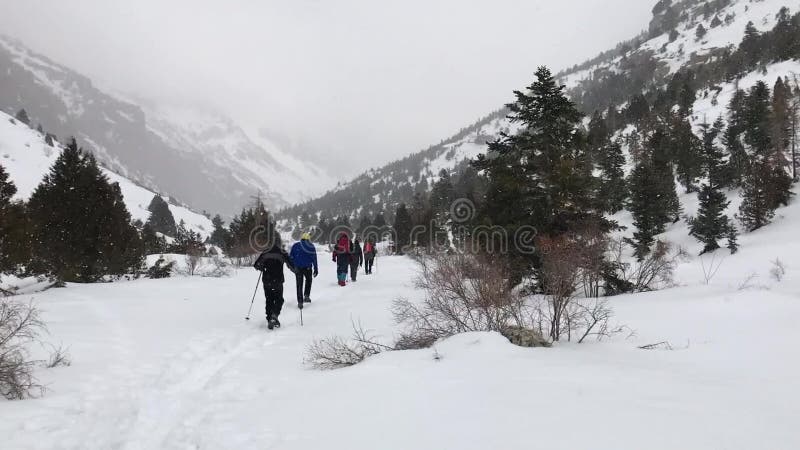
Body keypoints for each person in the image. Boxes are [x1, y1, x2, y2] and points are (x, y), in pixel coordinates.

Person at [253, 237, 296, 329]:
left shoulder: (265, 252)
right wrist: (297, 271)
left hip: (267, 280)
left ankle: (269, 319)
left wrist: (262, 267)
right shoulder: (282, 252)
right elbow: (291, 265)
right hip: (278, 280)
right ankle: (274, 316)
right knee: (279, 299)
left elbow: (256, 265)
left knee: (269, 300)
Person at [290, 233, 318, 309]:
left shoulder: (295, 245)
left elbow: (291, 257)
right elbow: (314, 258)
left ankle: (300, 302)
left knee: (299, 284)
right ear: (308, 239)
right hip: (308, 268)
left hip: (298, 268)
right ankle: (306, 296)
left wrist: (293, 267)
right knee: (308, 281)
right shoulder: (311, 246)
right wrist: (316, 269)